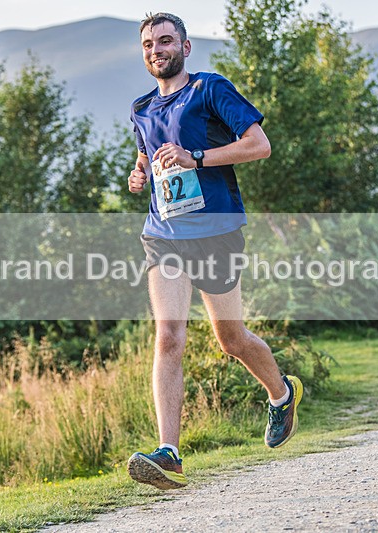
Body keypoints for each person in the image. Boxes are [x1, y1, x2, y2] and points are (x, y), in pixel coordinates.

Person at [125, 12, 302, 490]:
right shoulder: (141, 107)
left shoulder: (209, 88)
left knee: (232, 340)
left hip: (216, 231)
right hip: (164, 233)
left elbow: (258, 145)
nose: (156, 50)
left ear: (185, 46)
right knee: (168, 337)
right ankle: (170, 454)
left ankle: (282, 394)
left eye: (165, 41)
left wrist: (196, 157)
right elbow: (146, 153)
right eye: (148, 44)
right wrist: (138, 175)